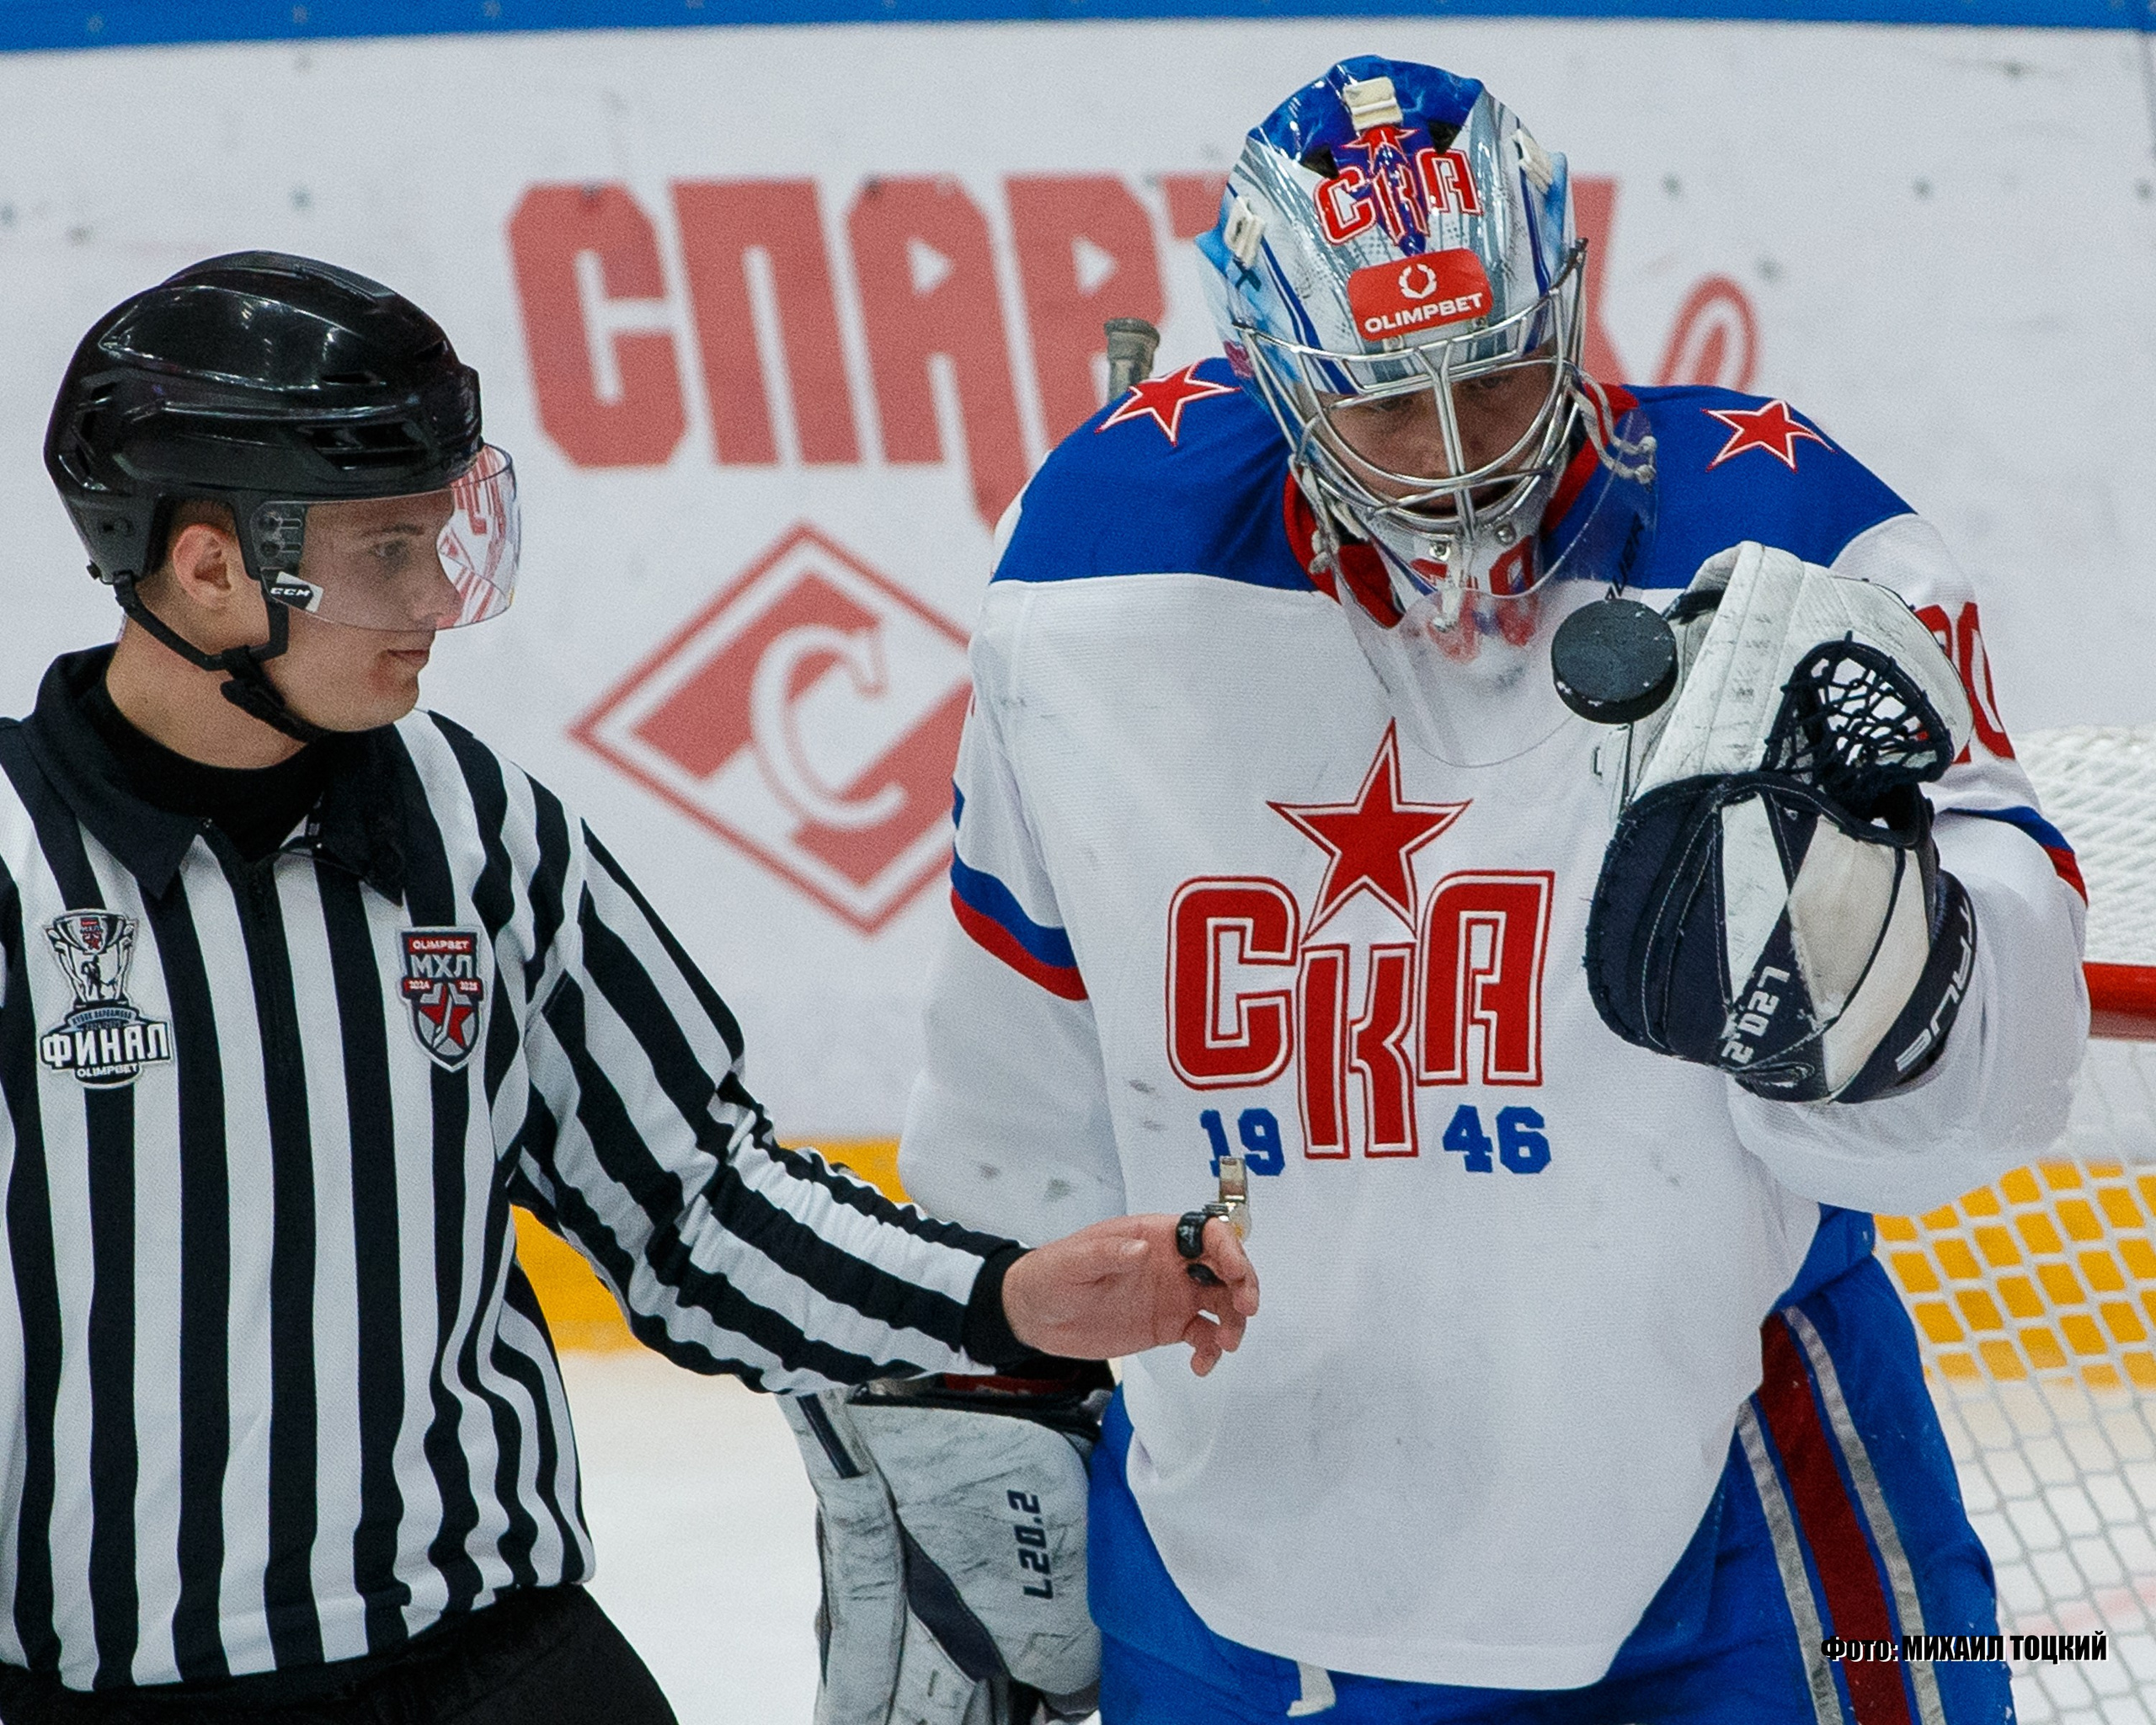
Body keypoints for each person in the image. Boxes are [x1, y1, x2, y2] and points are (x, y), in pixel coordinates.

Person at [885, 56, 2087, 1725]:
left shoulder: (1788, 538)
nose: (1455, 462)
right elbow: (1014, 1071)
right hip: (1248, 1558)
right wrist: (968, 1432)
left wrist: (1860, 975)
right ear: (1272, 373)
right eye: (1385, 403)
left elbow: (1978, 1105)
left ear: (1566, 307)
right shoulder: (1095, 578)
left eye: (1501, 380)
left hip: (1739, 1516)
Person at [0, 251, 1257, 1724]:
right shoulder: (17, 875)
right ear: (208, 565)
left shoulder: (477, 829)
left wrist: (1004, 1299)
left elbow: (694, 1209)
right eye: (382, 553)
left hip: (496, 1665)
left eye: (442, 536)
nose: (433, 601)